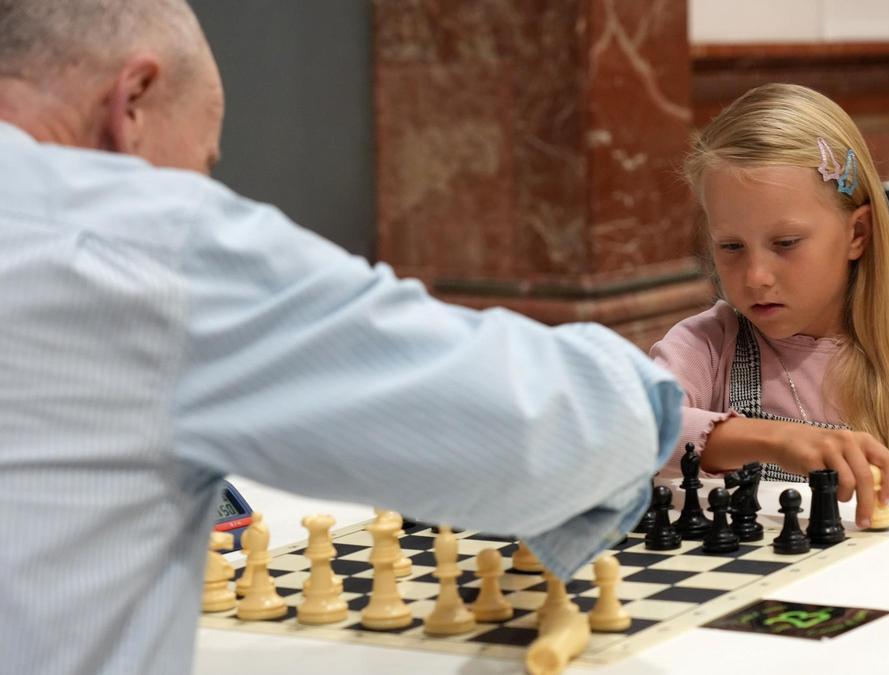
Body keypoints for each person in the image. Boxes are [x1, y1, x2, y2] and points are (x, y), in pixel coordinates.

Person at [0, 1, 687, 673]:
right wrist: (650, 401)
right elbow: (548, 425)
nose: (205, 186)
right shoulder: (142, 243)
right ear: (135, 102)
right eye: (206, 163)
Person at [651, 83, 889, 530]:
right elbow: (634, 429)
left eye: (785, 243)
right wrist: (774, 439)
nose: (756, 276)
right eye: (730, 246)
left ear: (857, 234)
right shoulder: (708, 345)